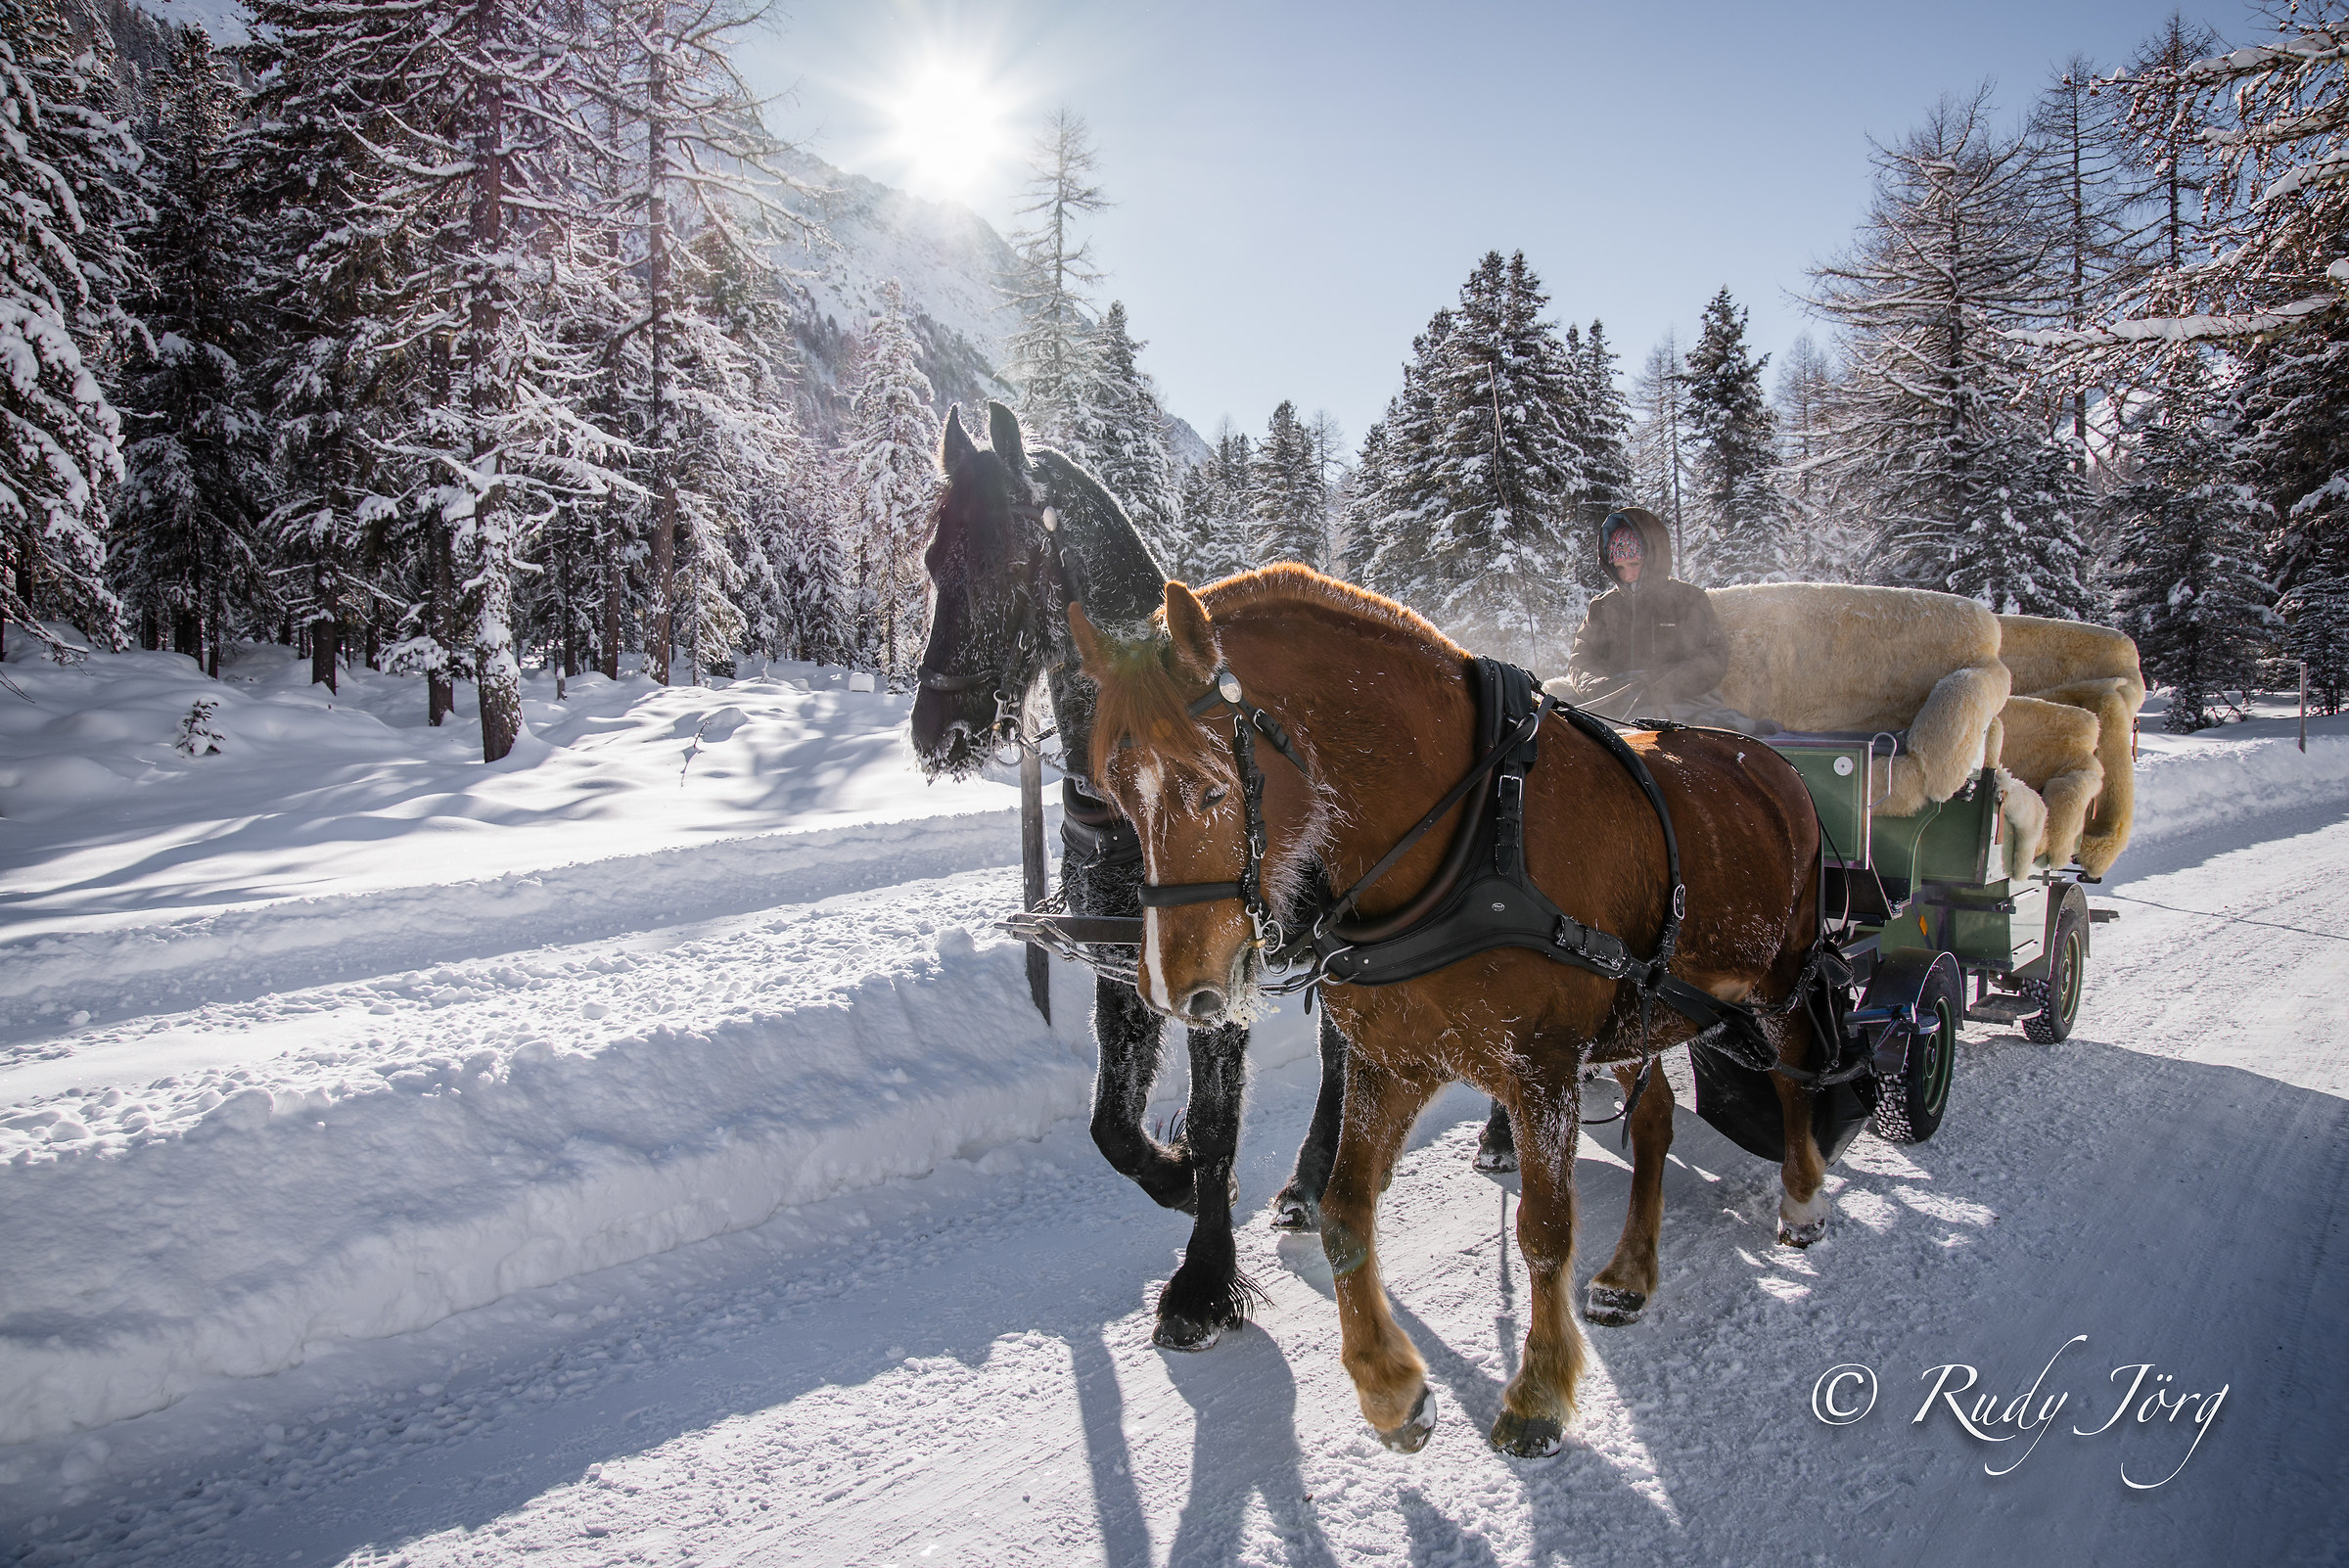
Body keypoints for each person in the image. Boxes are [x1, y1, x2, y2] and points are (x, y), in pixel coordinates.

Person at [1558, 508, 1768, 731]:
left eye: (1634, 564)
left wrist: (1661, 684)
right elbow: (1581, 660)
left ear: (1652, 558)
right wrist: (1602, 687)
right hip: (1616, 703)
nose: (1627, 575)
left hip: (1683, 700)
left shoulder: (1687, 598)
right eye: (1619, 567)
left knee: (1722, 728)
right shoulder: (1602, 606)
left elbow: (1713, 657)